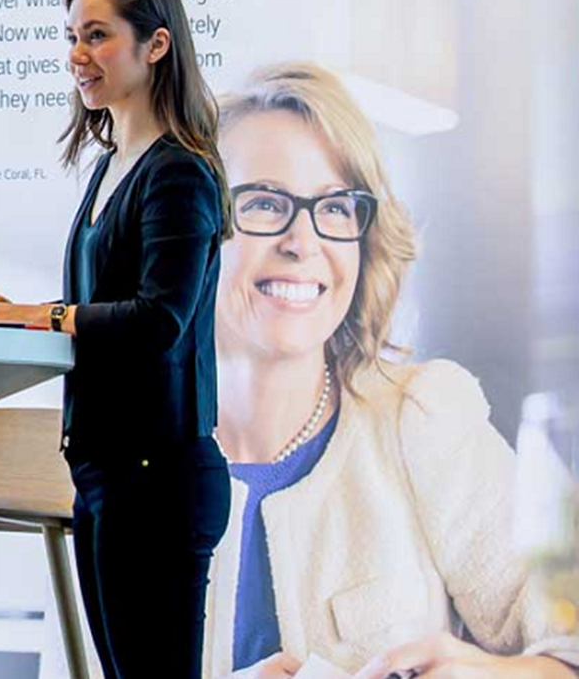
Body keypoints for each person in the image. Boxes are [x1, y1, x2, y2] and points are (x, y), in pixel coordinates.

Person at [205, 63, 579, 679]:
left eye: (335, 208)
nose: (304, 241)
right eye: (265, 203)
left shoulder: (425, 419)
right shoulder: (121, 460)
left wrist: (489, 675)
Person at [0, 0, 233, 678]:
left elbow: (158, 319)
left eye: (99, 36)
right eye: (72, 37)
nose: (78, 55)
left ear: (157, 45)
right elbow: (105, 303)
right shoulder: (109, 165)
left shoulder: (179, 171)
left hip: (159, 475)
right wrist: (14, 315)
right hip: (104, 467)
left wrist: (42, 316)